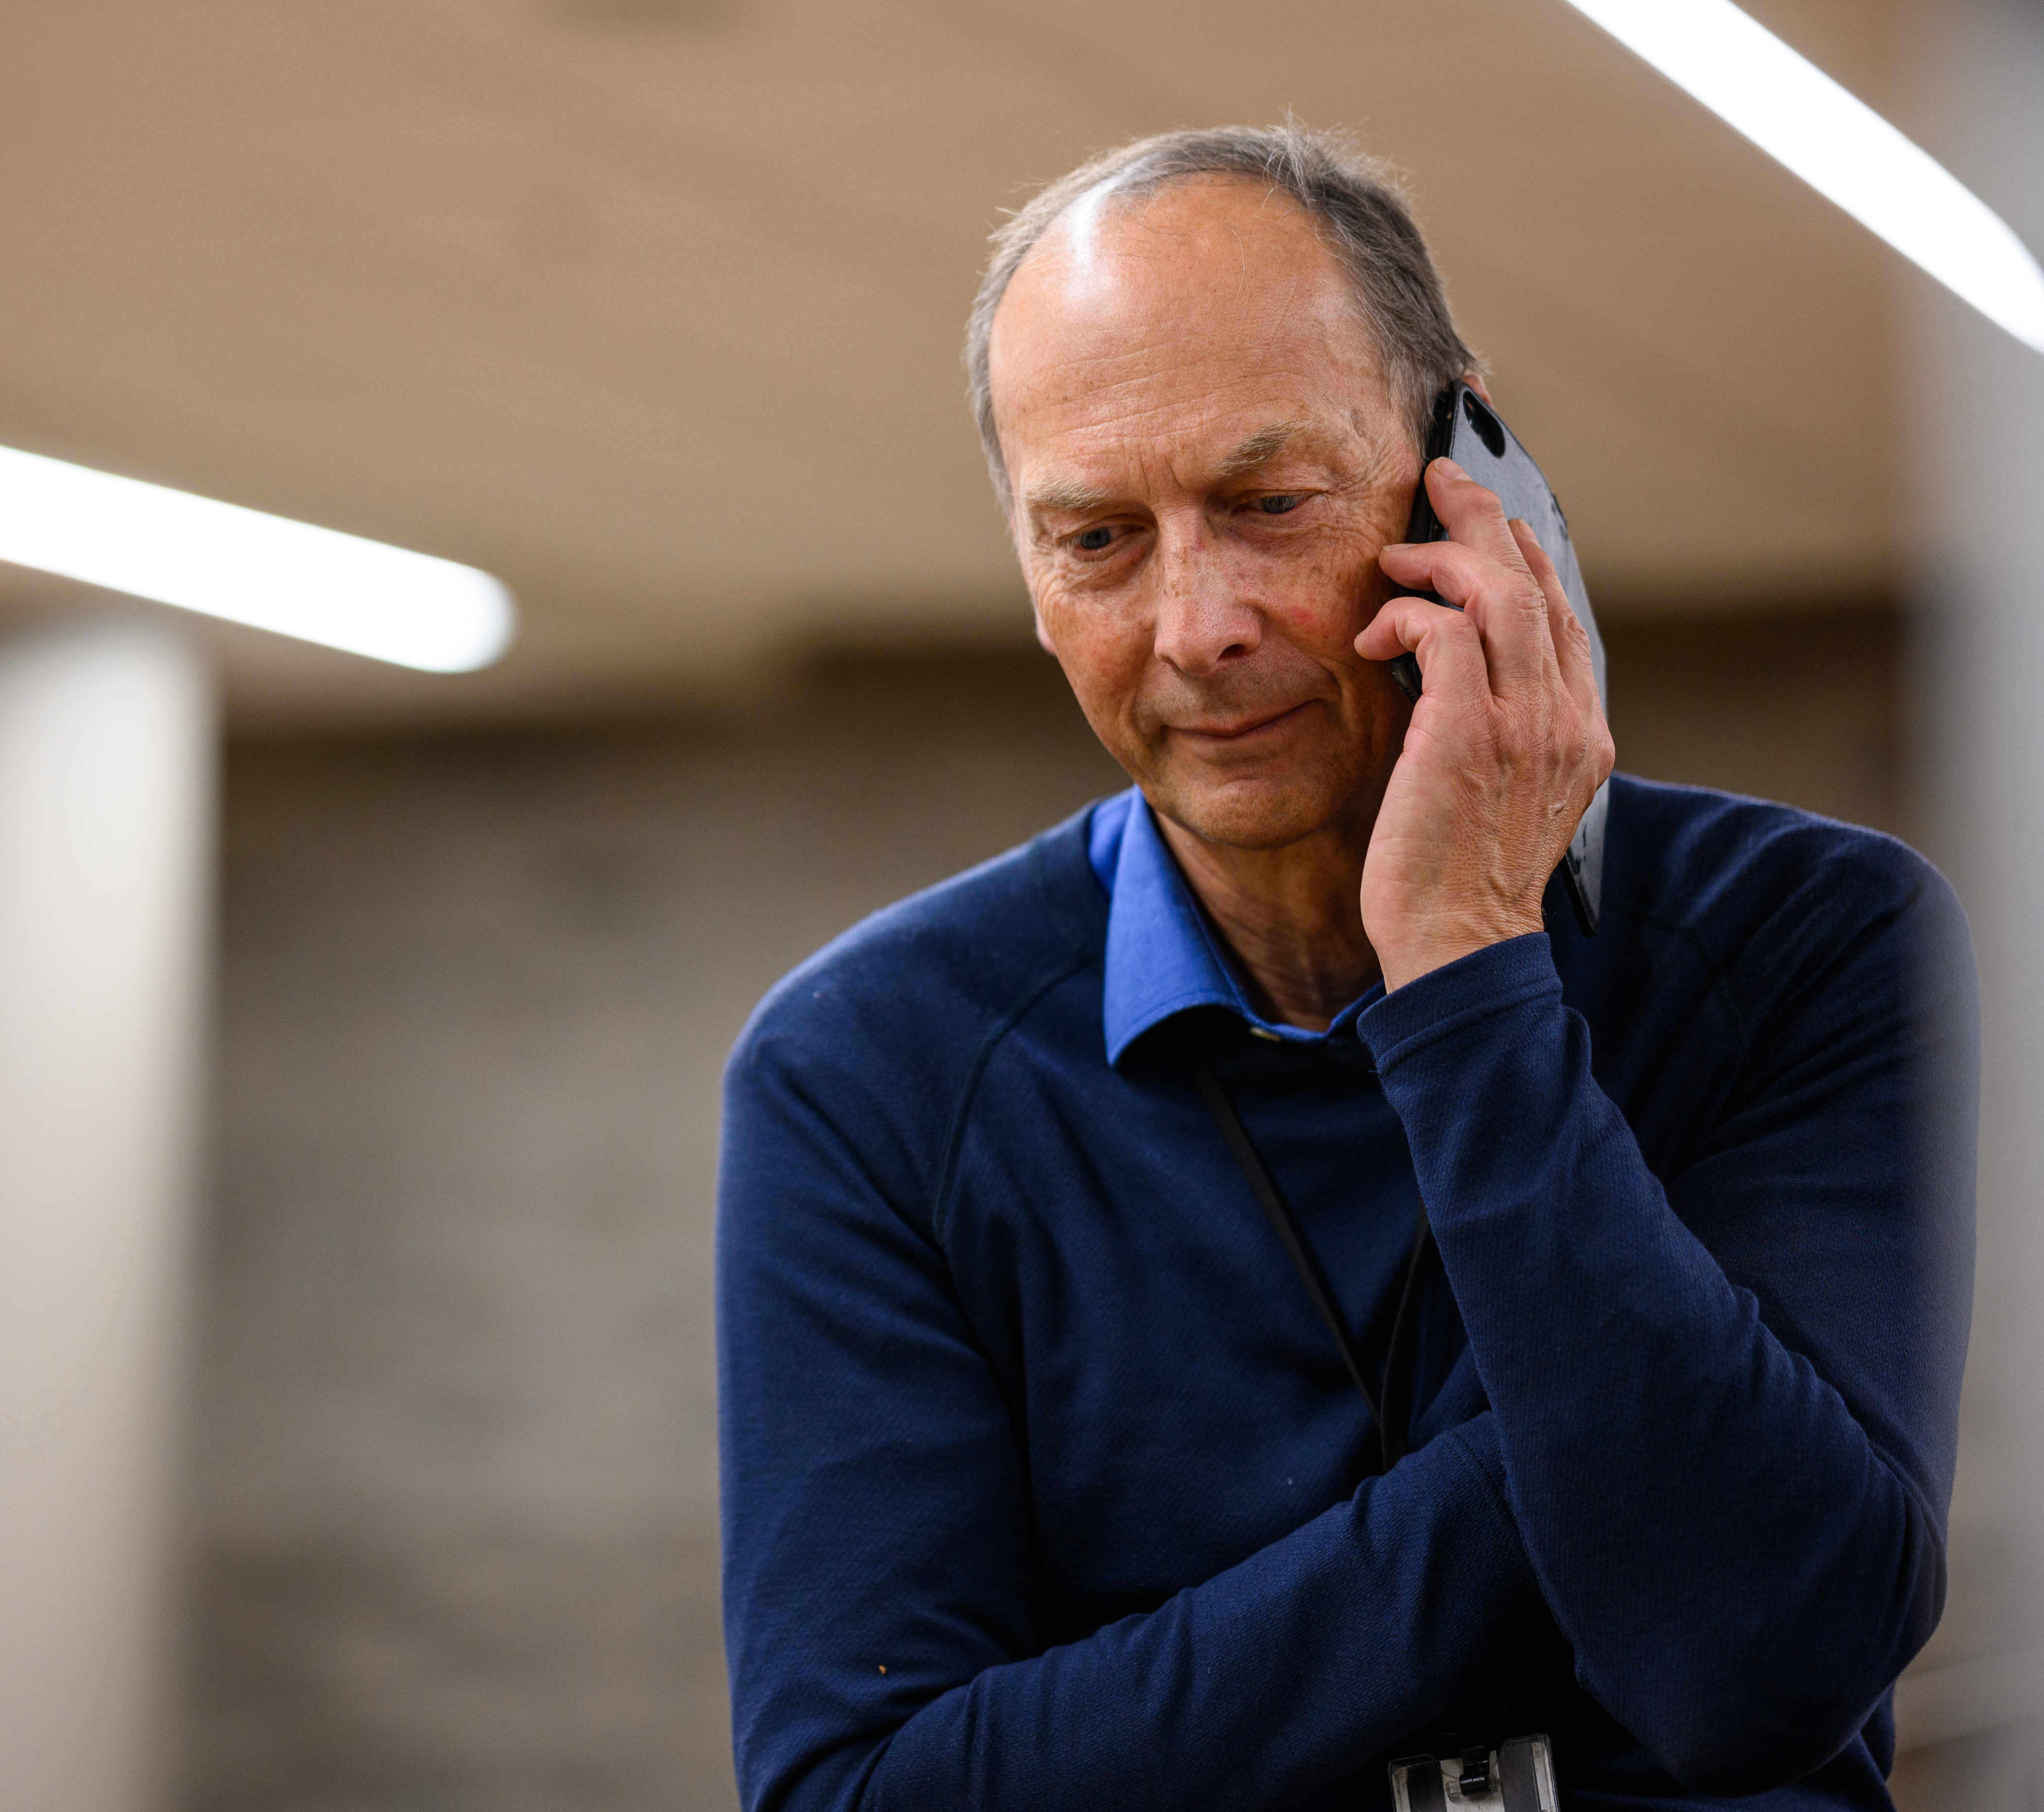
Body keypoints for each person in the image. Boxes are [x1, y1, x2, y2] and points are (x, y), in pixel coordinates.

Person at [714, 125, 1975, 1812]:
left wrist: (1467, 966)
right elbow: (864, 1793)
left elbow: (1763, 1660)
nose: (1198, 625)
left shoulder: (1812, 940)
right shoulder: (871, 1064)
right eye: (1098, 539)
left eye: (1268, 504)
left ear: (1470, 469)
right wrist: (1567, 1469)